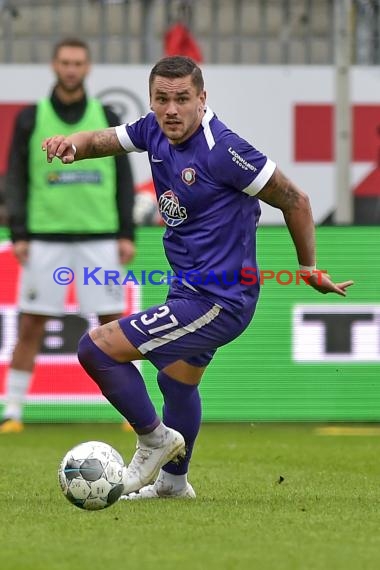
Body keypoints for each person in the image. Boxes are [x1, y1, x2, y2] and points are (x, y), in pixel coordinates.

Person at [42, 55, 354, 499]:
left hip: (219, 300)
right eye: (162, 99)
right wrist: (72, 142)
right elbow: (100, 140)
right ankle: (173, 482)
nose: (171, 110)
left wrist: (307, 268)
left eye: (182, 99)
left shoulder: (224, 150)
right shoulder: (152, 128)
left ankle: (153, 439)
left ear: (202, 99)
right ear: (152, 100)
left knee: (95, 349)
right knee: (174, 380)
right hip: (190, 288)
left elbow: (296, 199)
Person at [0, 38, 136, 434]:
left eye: (78, 62)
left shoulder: (105, 114)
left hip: (100, 237)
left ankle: (136, 413)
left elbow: (124, 180)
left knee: (116, 326)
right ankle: (14, 411)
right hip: (45, 238)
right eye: (65, 62)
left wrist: (126, 233)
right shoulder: (31, 117)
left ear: (87, 67)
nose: (71, 69)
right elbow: (16, 177)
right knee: (31, 325)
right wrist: (19, 233)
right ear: (54, 66)